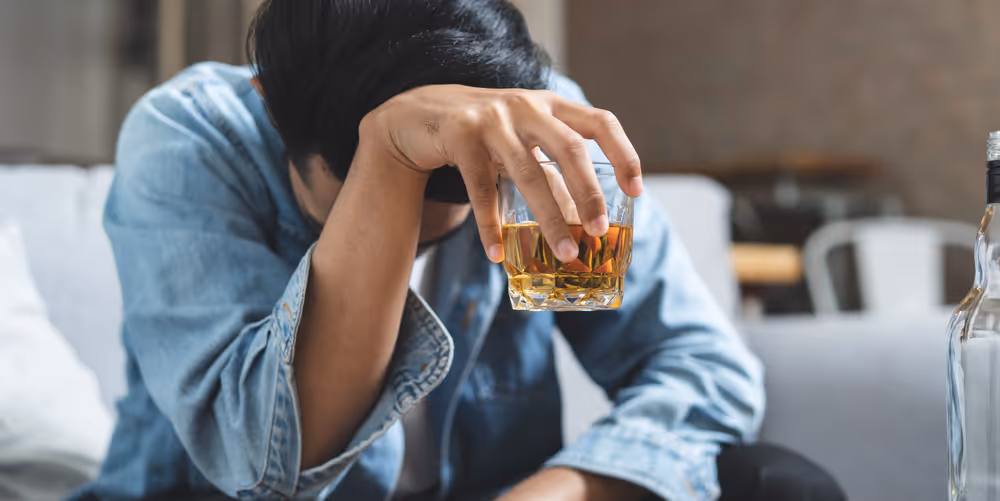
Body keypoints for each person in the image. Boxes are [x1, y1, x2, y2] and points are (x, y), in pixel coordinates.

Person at [71, 1, 845, 500]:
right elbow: (265, 464)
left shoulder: (540, 129)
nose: (414, 237)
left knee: (776, 483)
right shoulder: (191, 136)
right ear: (268, 101)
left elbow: (704, 366)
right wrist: (388, 152)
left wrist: (568, 488)